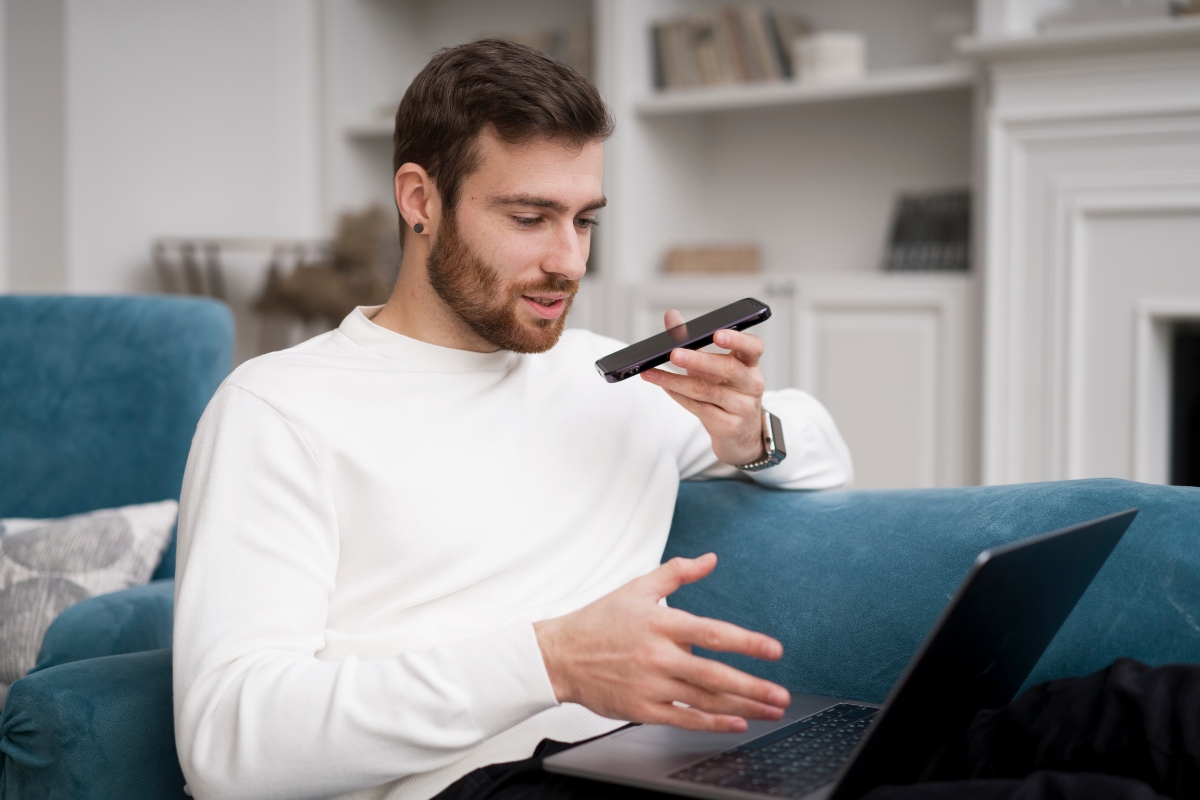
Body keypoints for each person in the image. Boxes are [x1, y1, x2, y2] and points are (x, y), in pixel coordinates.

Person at [173, 39, 854, 800]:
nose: (569, 261)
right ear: (419, 200)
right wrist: (551, 664)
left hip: (655, 767)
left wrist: (751, 434)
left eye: (584, 221)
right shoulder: (279, 408)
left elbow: (826, 452)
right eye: (530, 218)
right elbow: (226, 748)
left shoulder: (610, 379)